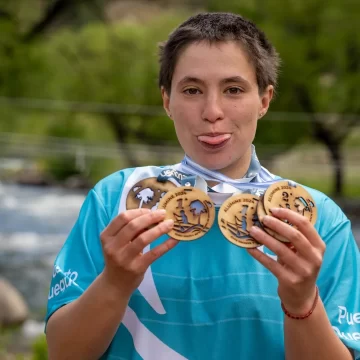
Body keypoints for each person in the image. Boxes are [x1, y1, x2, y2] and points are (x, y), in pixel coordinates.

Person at [45, 12, 360, 360]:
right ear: (167, 101)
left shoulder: (315, 222)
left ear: (265, 101)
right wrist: (115, 283)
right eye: (192, 90)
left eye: (234, 90)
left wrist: (301, 302)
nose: (212, 111)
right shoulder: (117, 200)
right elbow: (63, 352)